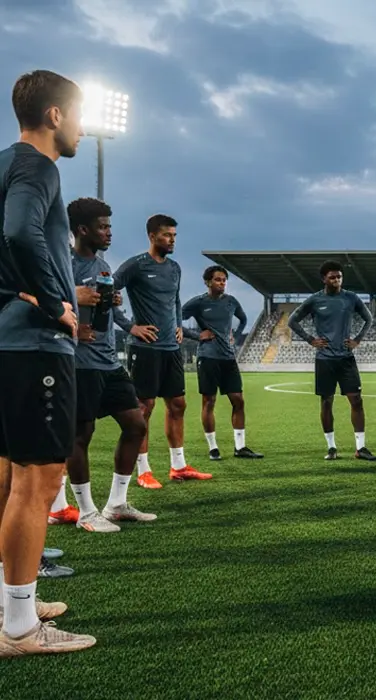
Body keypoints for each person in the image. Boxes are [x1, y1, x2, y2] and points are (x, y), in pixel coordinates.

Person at [0, 69, 95, 655]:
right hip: (34, 346)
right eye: (79, 115)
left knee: (9, 473)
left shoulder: (4, 163)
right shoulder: (39, 166)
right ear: (55, 116)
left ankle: (13, 601)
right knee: (39, 479)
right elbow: (18, 232)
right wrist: (56, 301)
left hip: (7, 342)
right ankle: (18, 628)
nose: (83, 129)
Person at [49, 198, 155, 534]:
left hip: (109, 362)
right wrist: (69, 322)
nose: (109, 232)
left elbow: (103, 308)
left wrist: (115, 306)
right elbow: (39, 303)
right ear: (82, 230)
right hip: (78, 363)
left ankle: (117, 504)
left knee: (136, 424)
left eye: (109, 226)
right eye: (103, 227)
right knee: (81, 435)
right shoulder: (61, 264)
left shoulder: (103, 264)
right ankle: (85, 511)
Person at [115, 215, 211, 486]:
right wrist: (129, 327)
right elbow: (107, 291)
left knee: (177, 404)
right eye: (167, 235)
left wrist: (179, 325)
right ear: (152, 236)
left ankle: (178, 466)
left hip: (171, 347)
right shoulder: (135, 265)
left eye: (175, 236)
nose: (172, 240)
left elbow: (176, 299)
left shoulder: (175, 268)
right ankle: (143, 470)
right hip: (145, 348)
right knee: (144, 407)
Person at [288, 260, 376, 462]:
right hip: (325, 359)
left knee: (356, 400)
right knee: (326, 402)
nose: (337, 280)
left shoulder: (350, 298)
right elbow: (292, 321)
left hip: (346, 358)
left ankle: (361, 448)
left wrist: (358, 340)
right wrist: (310, 339)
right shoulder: (314, 300)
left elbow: (368, 318)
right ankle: (331, 447)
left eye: (339, 276)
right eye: (332, 277)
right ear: (323, 279)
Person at [182, 266, 263, 461]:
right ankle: (213, 447)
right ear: (208, 282)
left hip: (228, 358)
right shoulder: (198, 303)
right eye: (218, 280)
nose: (222, 283)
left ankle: (240, 447)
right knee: (209, 401)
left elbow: (243, 319)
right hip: (208, 357)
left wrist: (234, 335)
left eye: (224, 280)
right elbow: (176, 318)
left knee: (238, 400)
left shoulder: (231, 302)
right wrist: (196, 335)